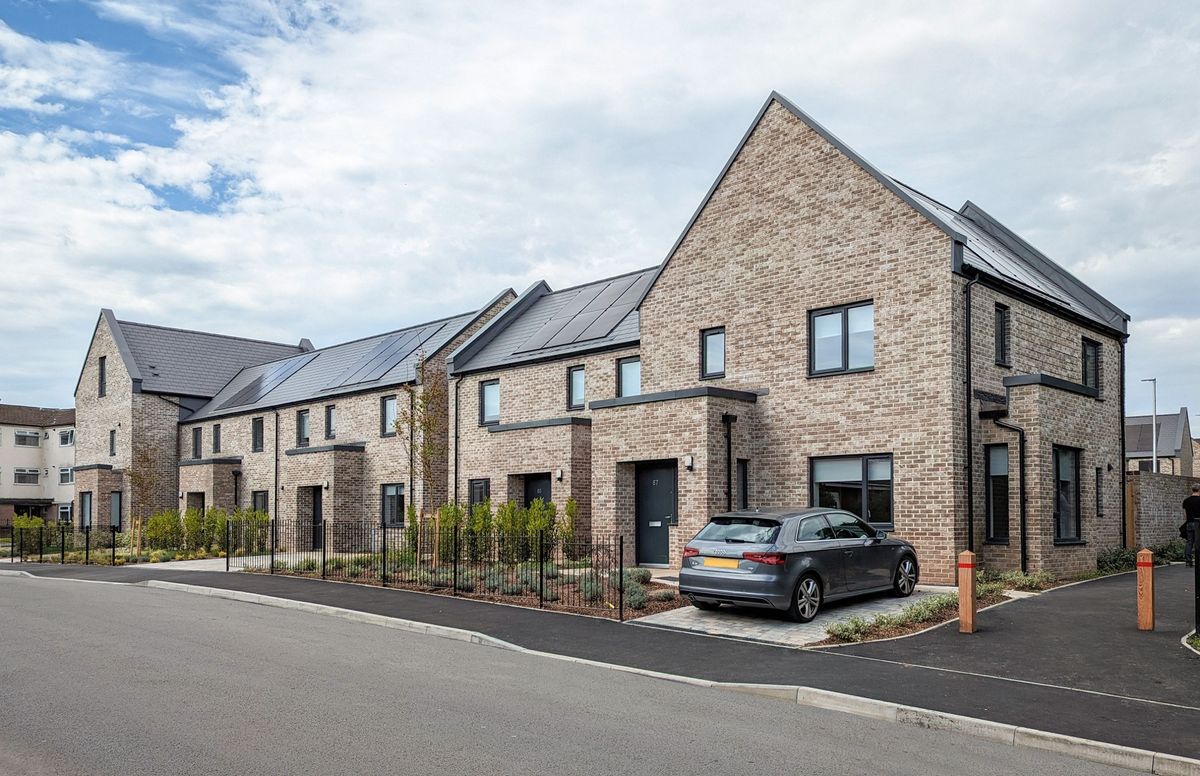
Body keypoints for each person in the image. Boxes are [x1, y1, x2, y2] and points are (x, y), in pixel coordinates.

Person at [1184, 483, 1200, 566]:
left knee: (1189, 542)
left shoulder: (1186, 501)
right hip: (1198, 523)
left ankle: (1188, 561)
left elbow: (1185, 514)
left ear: (1192, 490)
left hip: (1189, 523)